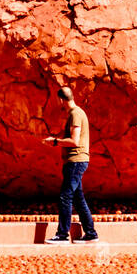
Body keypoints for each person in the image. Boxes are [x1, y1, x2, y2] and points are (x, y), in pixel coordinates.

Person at [44, 86, 98, 243]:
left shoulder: (75, 114)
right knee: (78, 198)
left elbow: (74, 141)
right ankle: (91, 233)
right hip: (75, 161)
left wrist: (54, 142)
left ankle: (62, 235)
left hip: (76, 161)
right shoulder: (78, 113)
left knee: (65, 196)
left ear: (61, 100)